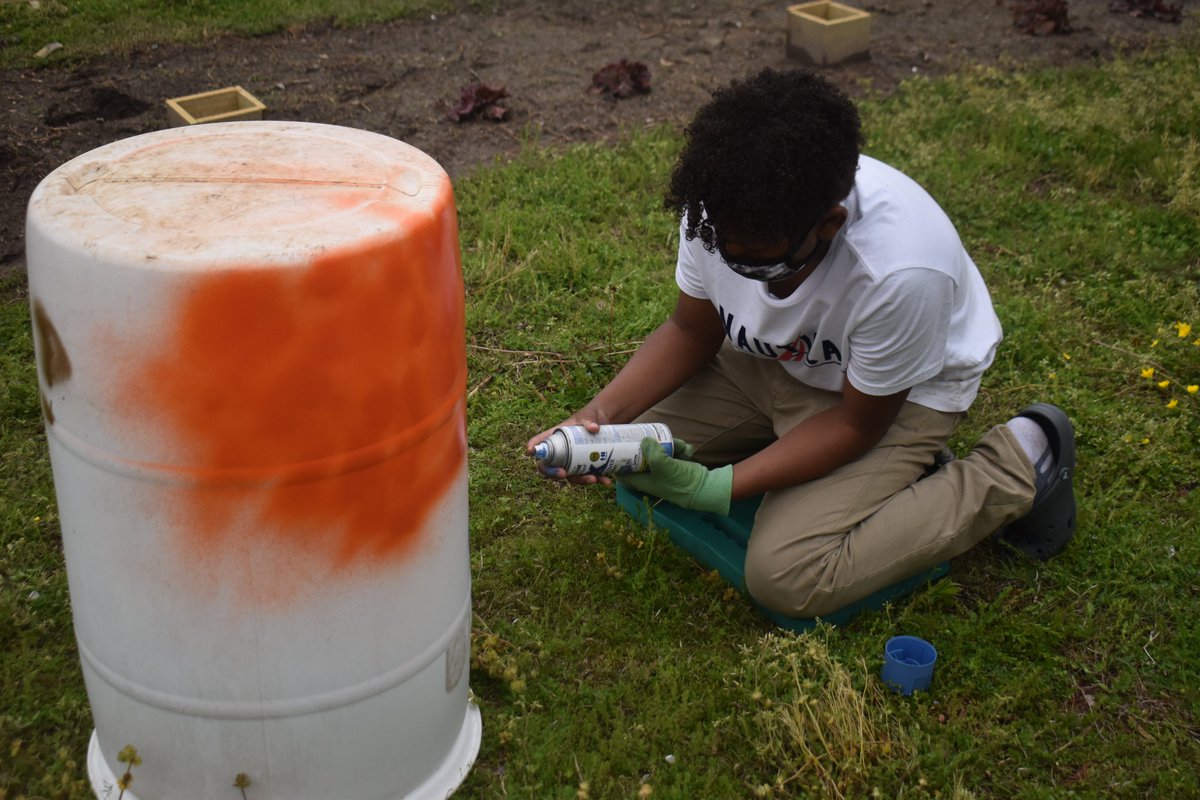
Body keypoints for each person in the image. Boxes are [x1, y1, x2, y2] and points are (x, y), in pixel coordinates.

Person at [526, 68, 1076, 620]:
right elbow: (692, 331)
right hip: (773, 362)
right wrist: (595, 419)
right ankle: (823, 462)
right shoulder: (717, 208)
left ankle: (1017, 464)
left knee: (788, 576)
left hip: (893, 399)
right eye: (725, 246)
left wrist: (717, 487)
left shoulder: (899, 271)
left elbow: (855, 425)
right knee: (632, 454)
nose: (734, 261)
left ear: (829, 223)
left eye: (758, 256)